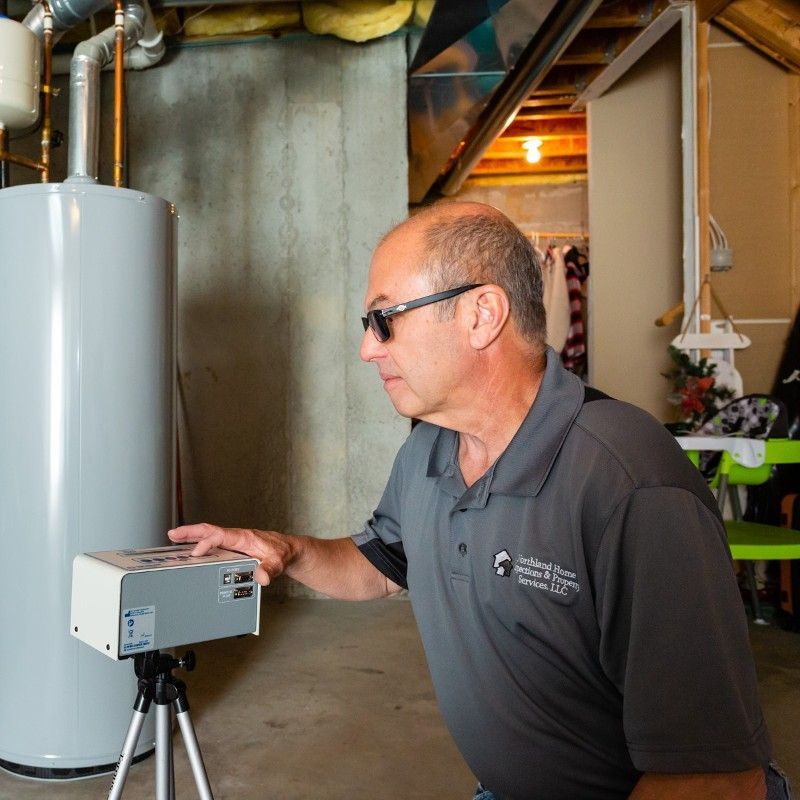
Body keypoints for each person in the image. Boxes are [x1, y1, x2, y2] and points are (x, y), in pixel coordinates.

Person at [169, 202, 777, 800]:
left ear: (482, 315)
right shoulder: (427, 450)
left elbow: (719, 779)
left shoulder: (631, 485)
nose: (367, 349)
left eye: (384, 320)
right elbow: (381, 566)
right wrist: (287, 551)